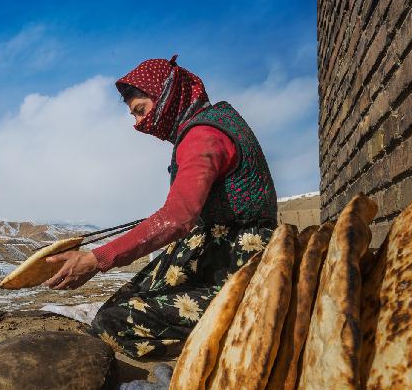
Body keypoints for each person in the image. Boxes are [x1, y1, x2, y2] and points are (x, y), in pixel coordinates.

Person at [43, 55, 277, 359]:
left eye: (141, 111)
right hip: (219, 250)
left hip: (238, 261)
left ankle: (217, 346)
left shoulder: (202, 136)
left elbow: (178, 218)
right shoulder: (211, 124)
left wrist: (94, 260)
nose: (139, 124)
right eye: (134, 116)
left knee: (114, 322)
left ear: (167, 95)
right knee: (124, 306)